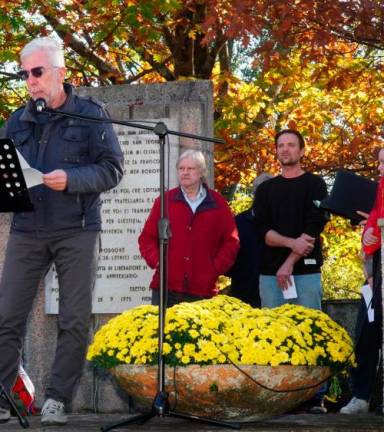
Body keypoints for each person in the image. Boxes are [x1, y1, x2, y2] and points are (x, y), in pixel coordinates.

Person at [0, 37, 124, 425]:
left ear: (60, 72)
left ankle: (57, 399)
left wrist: (69, 178)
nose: (31, 81)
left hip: (77, 229)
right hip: (27, 228)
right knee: (9, 317)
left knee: (72, 318)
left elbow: (112, 169)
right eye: (25, 74)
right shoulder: (19, 120)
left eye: (37, 72)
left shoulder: (90, 114)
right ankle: (1, 400)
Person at [252, 128, 329, 413]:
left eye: (291, 145)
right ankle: (280, 396)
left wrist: (288, 262)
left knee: (309, 331)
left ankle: (315, 397)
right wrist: (289, 243)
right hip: (270, 277)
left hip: (306, 274)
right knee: (274, 335)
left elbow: (313, 228)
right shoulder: (266, 190)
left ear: (301, 150)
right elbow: (262, 231)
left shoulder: (316, 185)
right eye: (280, 145)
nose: (285, 150)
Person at [138, 149, 239, 307]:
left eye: (190, 169)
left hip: (203, 289)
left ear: (201, 172)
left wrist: (214, 268)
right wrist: (158, 262)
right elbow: (147, 239)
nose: (185, 173)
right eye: (181, 169)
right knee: (160, 332)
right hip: (166, 287)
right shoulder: (165, 201)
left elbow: (231, 241)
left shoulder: (218, 203)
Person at [340, 148, 384, 414]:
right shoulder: (379, 189)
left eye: (383, 163)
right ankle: (361, 395)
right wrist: (368, 236)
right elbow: (372, 225)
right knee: (366, 331)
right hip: (376, 272)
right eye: (379, 162)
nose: (379, 168)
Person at [225, 173, 274, 308]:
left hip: (277, 288)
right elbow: (228, 252)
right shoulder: (238, 222)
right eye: (261, 191)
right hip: (244, 290)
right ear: (254, 193)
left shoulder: (283, 222)